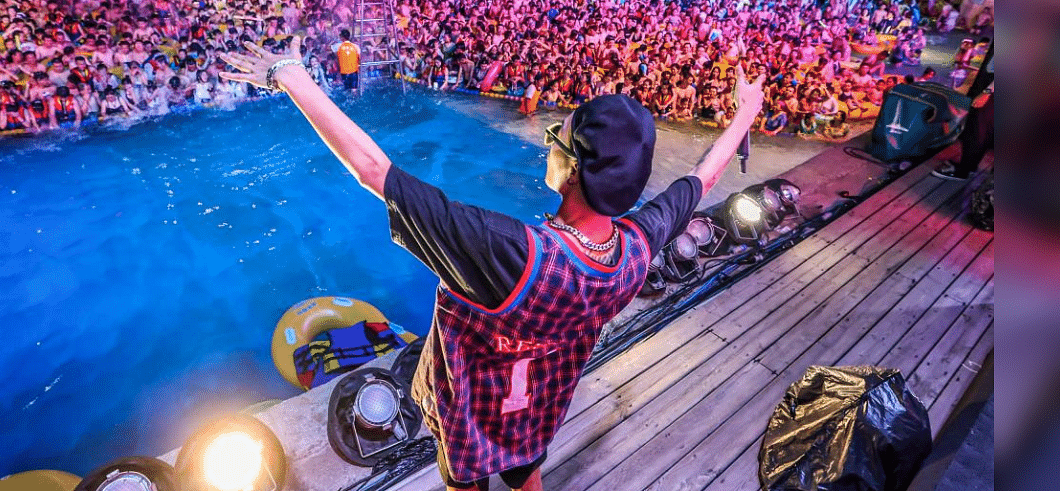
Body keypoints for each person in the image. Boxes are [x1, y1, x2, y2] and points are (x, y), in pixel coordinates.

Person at [218, 37, 766, 491]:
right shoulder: (634, 251)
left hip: (471, 411)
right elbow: (701, 181)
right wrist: (744, 115)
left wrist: (289, 74)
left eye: (559, 138)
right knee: (527, 471)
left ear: (573, 169)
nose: (549, 145)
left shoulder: (506, 251)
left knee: (465, 482)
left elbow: (373, 170)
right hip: (541, 402)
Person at [333, 29, 361, 94]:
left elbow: (327, 48)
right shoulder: (356, 46)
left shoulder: (338, 46)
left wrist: (333, 41)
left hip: (344, 72)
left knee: (347, 91)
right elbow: (359, 59)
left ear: (342, 37)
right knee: (354, 91)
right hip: (354, 72)